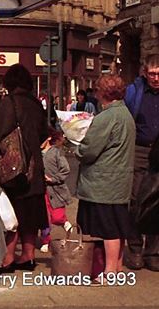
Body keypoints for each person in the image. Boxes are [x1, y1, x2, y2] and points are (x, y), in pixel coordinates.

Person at [75, 74, 136, 277]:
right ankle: (117, 266)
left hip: (103, 182)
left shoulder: (106, 118)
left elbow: (89, 150)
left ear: (101, 93)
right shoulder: (126, 114)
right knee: (118, 226)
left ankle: (109, 270)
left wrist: (77, 147)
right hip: (119, 180)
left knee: (108, 228)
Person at [0, 63, 49, 273]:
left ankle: (8, 257)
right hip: (34, 166)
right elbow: (43, 132)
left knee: (12, 212)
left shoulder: (9, 103)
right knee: (30, 212)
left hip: (15, 167)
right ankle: (28, 255)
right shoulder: (36, 104)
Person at [124, 54, 159, 271]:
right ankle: (135, 249)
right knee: (135, 200)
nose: (156, 78)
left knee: (157, 202)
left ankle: (153, 252)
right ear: (145, 73)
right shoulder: (134, 92)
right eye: (152, 74)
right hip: (138, 149)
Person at [40, 129, 72, 251]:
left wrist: (54, 178)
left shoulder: (56, 153)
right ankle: (45, 240)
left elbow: (65, 169)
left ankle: (64, 222)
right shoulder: (36, 153)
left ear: (48, 138)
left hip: (56, 190)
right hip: (41, 190)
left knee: (57, 216)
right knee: (44, 219)